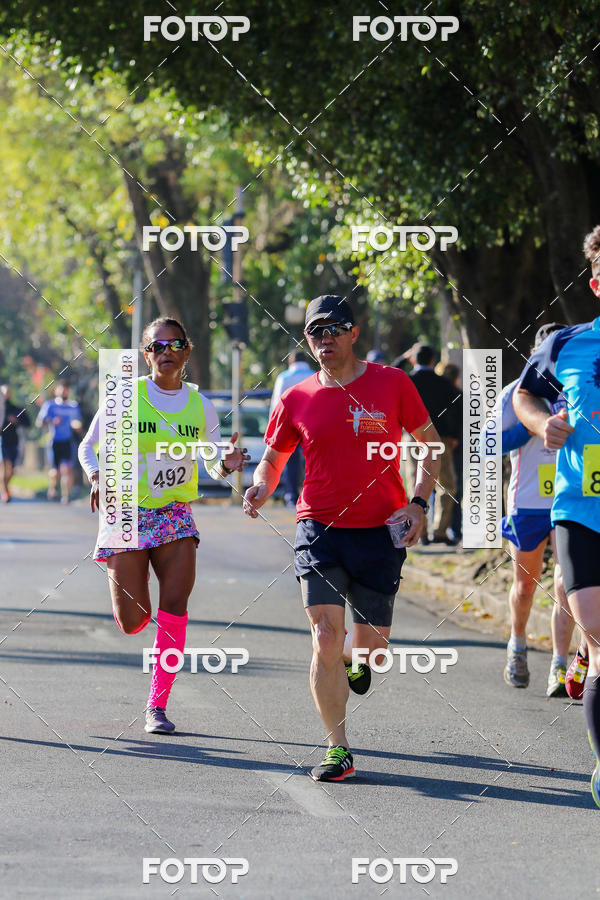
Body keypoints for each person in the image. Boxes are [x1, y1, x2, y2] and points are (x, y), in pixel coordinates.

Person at [243, 295, 441, 782]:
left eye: (334, 329)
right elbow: (273, 458)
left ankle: (357, 657)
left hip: (379, 532)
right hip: (319, 530)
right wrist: (262, 486)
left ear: (355, 333)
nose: (324, 338)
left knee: (370, 649)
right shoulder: (297, 397)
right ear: (307, 341)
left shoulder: (392, 384)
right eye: (315, 332)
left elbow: (429, 444)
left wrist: (418, 503)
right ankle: (338, 749)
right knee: (324, 637)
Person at [78, 317, 249, 734]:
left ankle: (157, 706)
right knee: (134, 620)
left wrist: (225, 464)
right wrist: (98, 476)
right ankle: (120, 576)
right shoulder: (125, 396)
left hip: (174, 513)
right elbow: (88, 447)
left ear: (187, 352)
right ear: (145, 354)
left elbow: (210, 461)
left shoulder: (200, 405)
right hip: (125, 512)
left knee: (175, 610)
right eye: (158, 346)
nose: (167, 351)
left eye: (176, 344)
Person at [513, 226, 600, 806]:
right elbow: (523, 394)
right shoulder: (567, 345)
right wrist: (543, 423)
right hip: (580, 508)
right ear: (597, 282)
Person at [500, 323, 577, 696]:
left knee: (565, 585)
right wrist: (532, 426)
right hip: (528, 502)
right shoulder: (515, 393)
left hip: (569, 499)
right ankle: (517, 644)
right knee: (526, 586)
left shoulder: (579, 388)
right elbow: (488, 443)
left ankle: (559, 666)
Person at [407, 344, 461, 544]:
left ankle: (419, 531)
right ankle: (440, 530)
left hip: (411, 438)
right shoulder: (444, 383)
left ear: (414, 360)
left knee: (415, 484)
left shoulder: (407, 381)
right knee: (446, 485)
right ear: (433, 361)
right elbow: (457, 407)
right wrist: (454, 435)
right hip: (441, 438)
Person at [269, 350, 313, 507]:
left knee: (290, 462)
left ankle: (291, 497)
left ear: (291, 362)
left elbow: (277, 405)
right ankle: (310, 496)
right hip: (311, 427)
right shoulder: (315, 375)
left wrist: (273, 430)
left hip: (290, 427)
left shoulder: (284, 377)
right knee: (310, 462)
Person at [37, 381, 83, 503]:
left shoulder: (73, 406)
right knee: (55, 470)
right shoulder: (50, 405)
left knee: (67, 468)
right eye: (61, 389)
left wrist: (77, 427)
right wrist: (52, 421)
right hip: (54, 441)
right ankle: (53, 487)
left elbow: (77, 422)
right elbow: (40, 422)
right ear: (56, 391)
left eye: (66, 390)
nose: (64, 392)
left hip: (68, 441)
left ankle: (66, 495)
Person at [0, 385, 31, 502]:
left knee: (11, 470)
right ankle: (5, 492)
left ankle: (4, 487)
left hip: (13, 442)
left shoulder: (16, 409)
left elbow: (28, 423)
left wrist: (16, 421)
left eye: (7, 392)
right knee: (4, 465)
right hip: (1, 443)